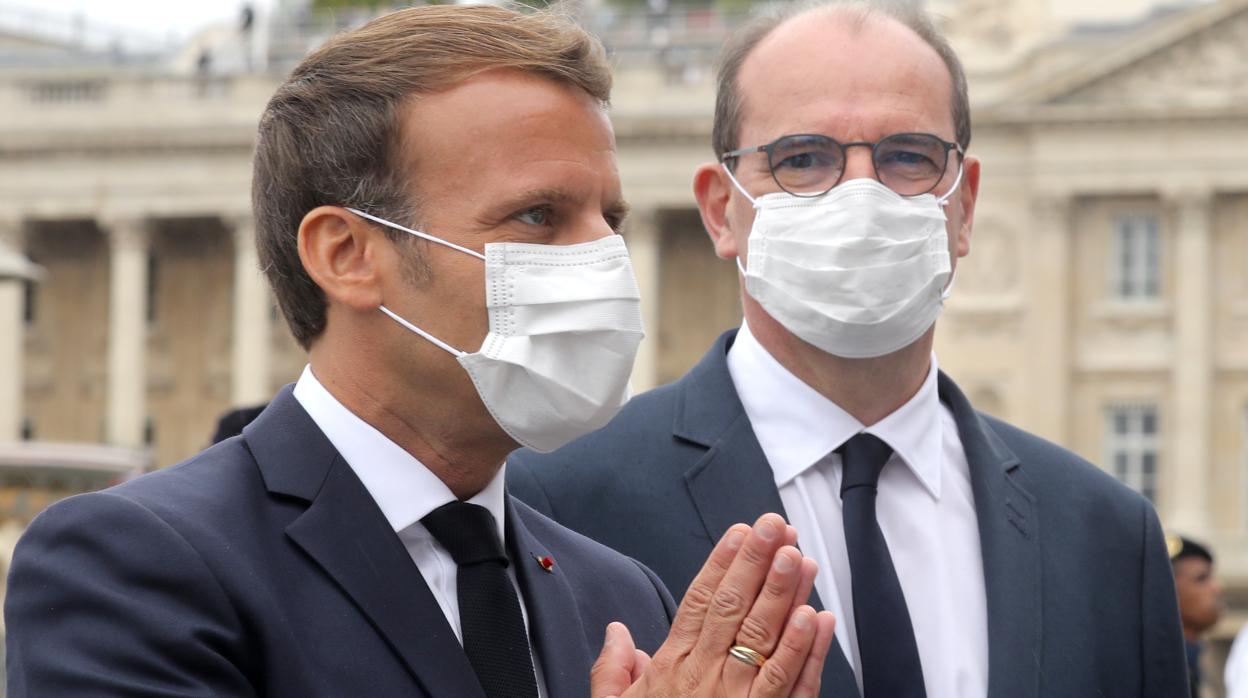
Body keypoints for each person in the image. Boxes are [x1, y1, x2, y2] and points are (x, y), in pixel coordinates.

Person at [4, 6, 836, 696]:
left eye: (609, 221)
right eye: (539, 216)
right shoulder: (134, 565)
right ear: (346, 255)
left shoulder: (618, 591)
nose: (604, 263)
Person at [508, 1, 1188, 696]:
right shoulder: (554, 502)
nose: (861, 194)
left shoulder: (1107, 534)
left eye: (907, 158)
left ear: (966, 205)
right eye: (803, 159)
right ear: (721, 210)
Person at [1168, 535, 1223, 697]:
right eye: (1202, 579)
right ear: (1169, 591)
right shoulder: (1163, 670)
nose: (1218, 588)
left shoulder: (1196, 660)